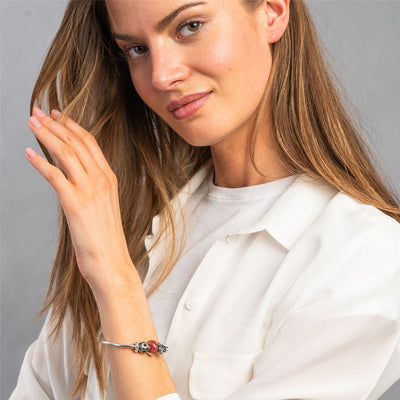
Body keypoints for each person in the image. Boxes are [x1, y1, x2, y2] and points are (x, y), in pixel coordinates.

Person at [10, 0, 400, 399]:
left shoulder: (361, 254)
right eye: (137, 49)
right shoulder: (122, 226)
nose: (162, 76)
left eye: (190, 26)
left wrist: (116, 281)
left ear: (272, 11)